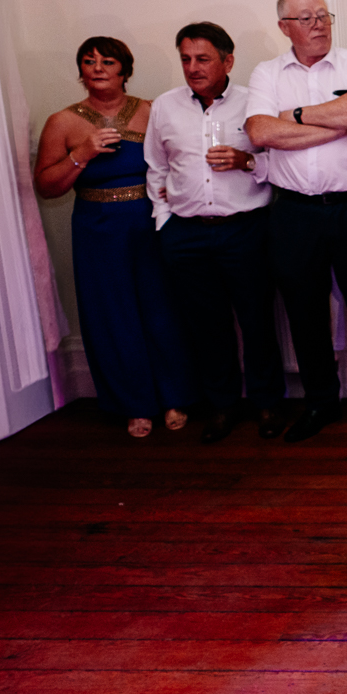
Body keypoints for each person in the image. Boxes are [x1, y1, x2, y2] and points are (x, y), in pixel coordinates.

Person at [245, 0, 347, 444]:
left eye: (322, 15)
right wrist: (335, 124)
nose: (318, 23)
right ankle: (320, 402)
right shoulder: (266, 72)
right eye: (306, 17)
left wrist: (292, 117)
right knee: (304, 313)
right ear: (284, 27)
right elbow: (258, 132)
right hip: (295, 213)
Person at [35, 36, 193, 438]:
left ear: (125, 69)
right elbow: (47, 186)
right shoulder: (63, 122)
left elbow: (179, 161)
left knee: (164, 308)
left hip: (150, 221)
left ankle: (175, 396)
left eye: (108, 61)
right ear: (81, 70)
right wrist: (81, 154)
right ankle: (134, 404)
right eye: (89, 61)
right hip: (97, 228)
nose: (98, 68)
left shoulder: (151, 111)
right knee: (112, 315)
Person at [144, 22, 285, 443]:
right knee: (207, 326)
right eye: (185, 59)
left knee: (257, 322)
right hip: (185, 235)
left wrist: (246, 162)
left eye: (202, 59)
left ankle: (267, 404)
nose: (192, 67)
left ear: (228, 60)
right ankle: (222, 406)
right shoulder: (165, 107)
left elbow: (278, 165)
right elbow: (157, 168)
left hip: (246, 230)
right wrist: (163, 220)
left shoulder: (253, 104)